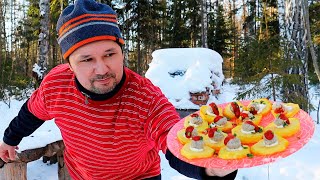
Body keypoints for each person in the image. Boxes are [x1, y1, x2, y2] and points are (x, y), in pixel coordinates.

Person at [0, 0, 237, 179]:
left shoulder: (145, 97)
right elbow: (32, 112)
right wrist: (9, 139)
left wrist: (210, 169)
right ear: (69, 64)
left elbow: (174, 139)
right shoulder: (56, 85)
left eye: (110, 54)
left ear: (122, 51)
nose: (102, 69)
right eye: (86, 60)